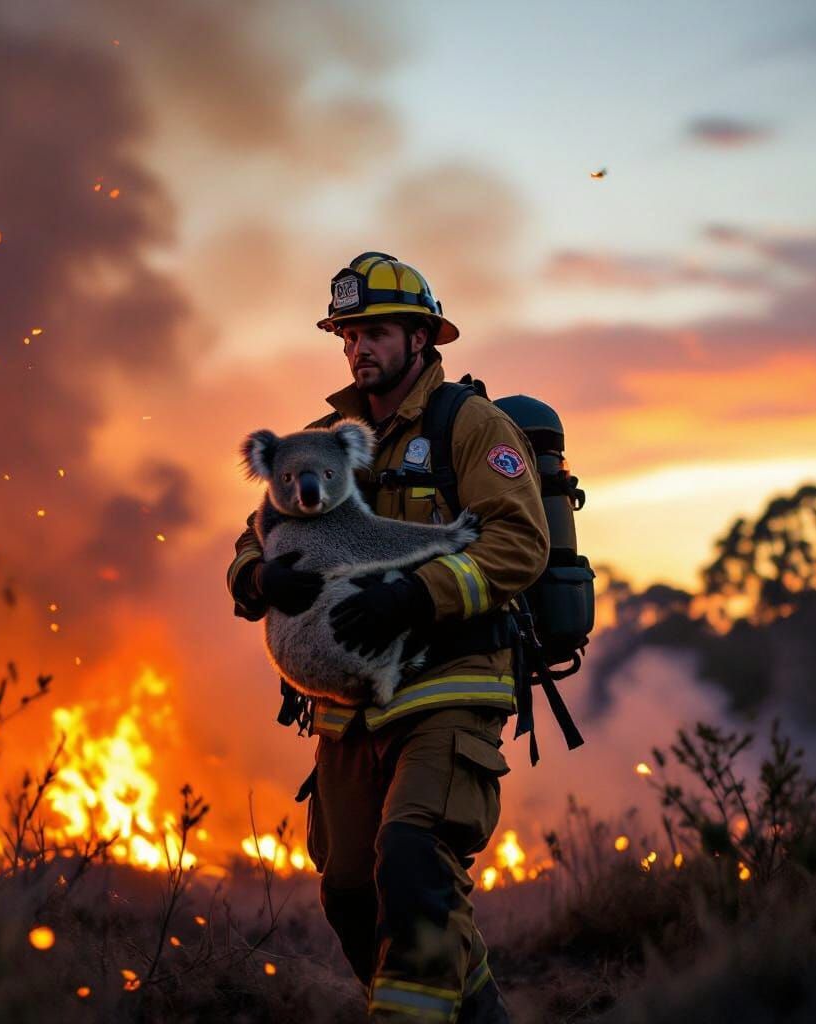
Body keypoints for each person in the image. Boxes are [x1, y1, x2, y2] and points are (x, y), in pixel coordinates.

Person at [227, 252, 550, 1023]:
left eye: (373, 331)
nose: (357, 348)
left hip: (448, 688)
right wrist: (258, 580)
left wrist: (417, 592)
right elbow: (251, 538)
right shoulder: (318, 440)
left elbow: (519, 544)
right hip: (347, 713)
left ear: (419, 336)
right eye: (346, 334)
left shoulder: (470, 427)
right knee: (349, 896)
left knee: (412, 867)